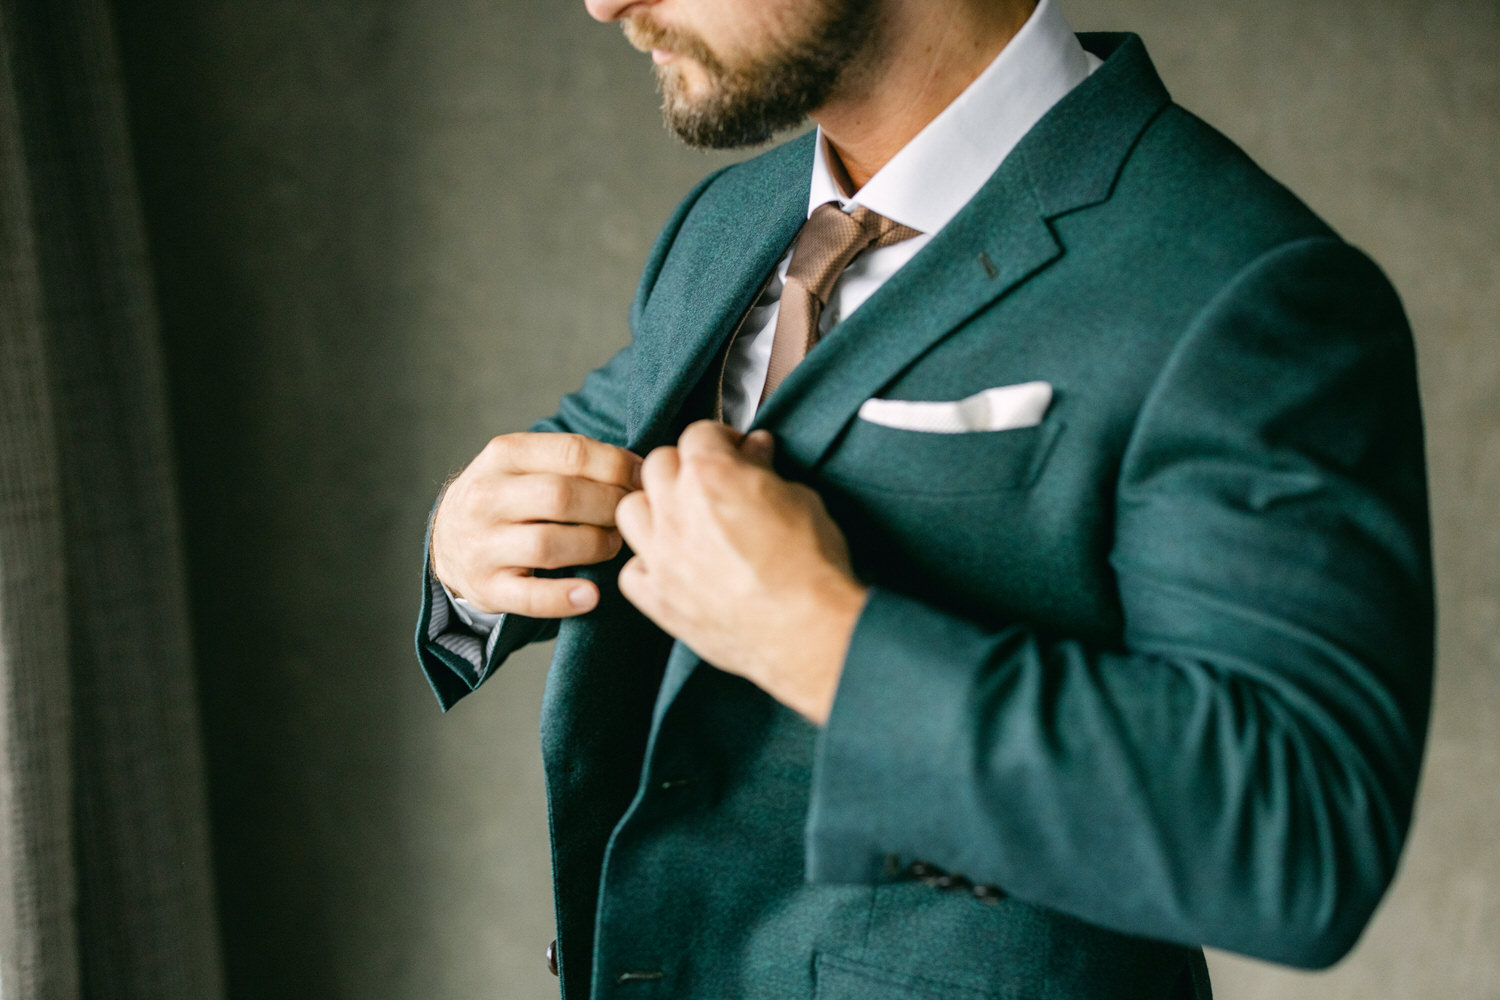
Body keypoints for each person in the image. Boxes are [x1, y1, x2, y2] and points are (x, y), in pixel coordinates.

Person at [415, 0, 1434, 996]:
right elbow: (591, 451)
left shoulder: (1245, 283)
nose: (604, 3)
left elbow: (1301, 839)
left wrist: (819, 636)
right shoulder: (727, 222)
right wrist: (466, 553)